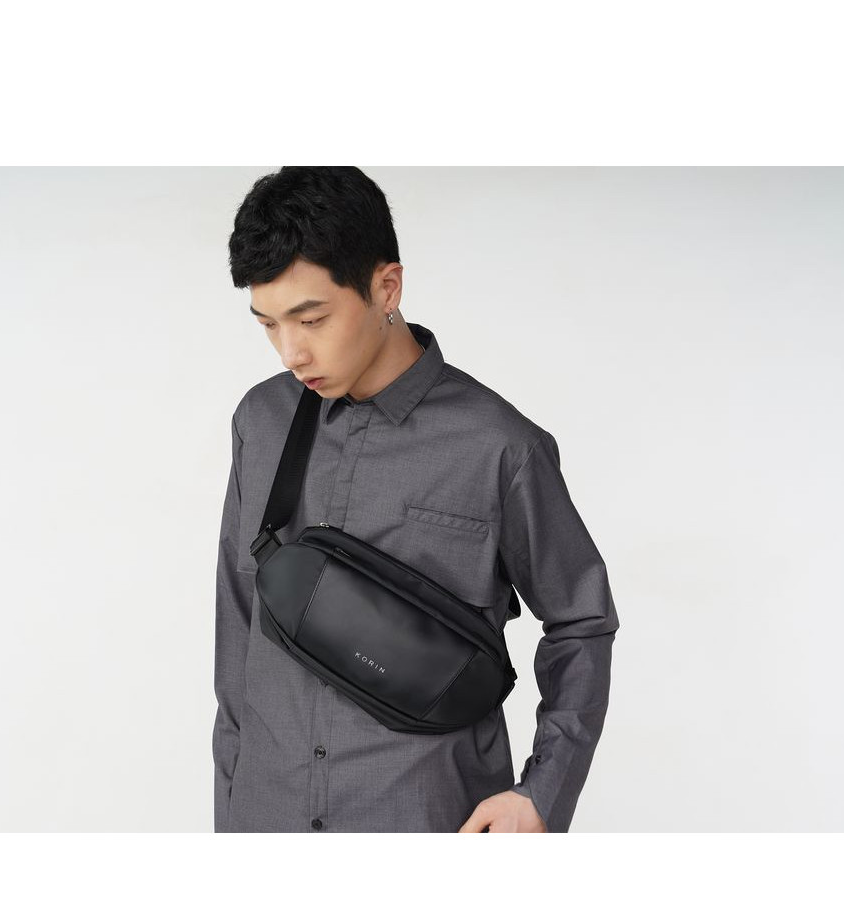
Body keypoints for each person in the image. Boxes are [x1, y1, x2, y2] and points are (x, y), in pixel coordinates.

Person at [213, 166, 619, 833]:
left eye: (312, 319)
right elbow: (238, 621)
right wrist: (230, 810)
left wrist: (543, 793)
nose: (291, 352)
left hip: (428, 816)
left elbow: (582, 621)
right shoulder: (261, 421)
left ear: (386, 288)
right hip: (268, 811)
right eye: (268, 325)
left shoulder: (499, 446)